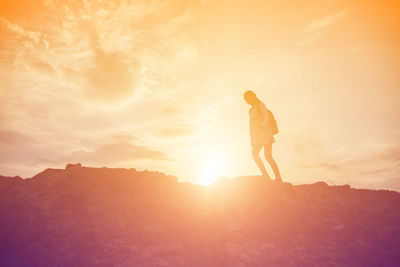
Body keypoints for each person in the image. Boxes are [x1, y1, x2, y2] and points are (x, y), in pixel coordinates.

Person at [243, 90, 283, 183]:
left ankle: (278, 178)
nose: (246, 100)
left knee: (268, 156)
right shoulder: (250, 110)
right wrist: (252, 140)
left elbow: (266, 118)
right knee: (255, 155)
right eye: (245, 99)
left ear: (253, 97)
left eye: (247, 98)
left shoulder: (260, 105)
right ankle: (266, 175)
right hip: (257, 138)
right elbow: (251, 126)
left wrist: (261, 125)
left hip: (266, 135)